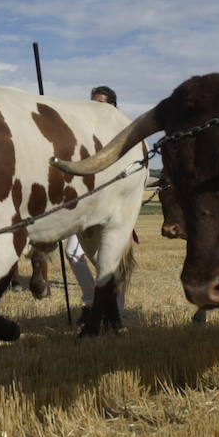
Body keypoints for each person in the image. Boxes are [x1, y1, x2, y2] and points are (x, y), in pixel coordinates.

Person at [67, 85, 123, 318]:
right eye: (92, 102)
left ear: (112, 106)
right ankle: (91, 301)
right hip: (85, 203)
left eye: (101, 103)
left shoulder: (121, 133)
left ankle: (115, 310)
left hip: (113, 203)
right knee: (73, 252)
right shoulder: (84, 134)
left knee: (112, 259)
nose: (95, 107)